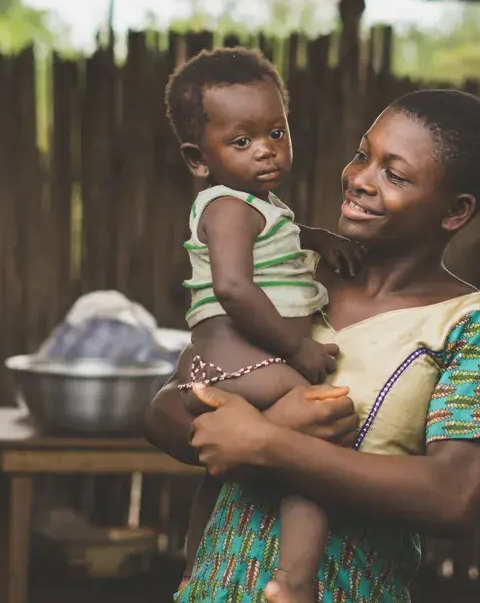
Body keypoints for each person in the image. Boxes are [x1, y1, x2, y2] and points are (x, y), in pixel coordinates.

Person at [146, 87, 480, 602]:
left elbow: (454, 497)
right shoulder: (282, 277)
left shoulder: (477, 323)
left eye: (394, 174)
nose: (360, 180)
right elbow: (168, 406)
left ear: (455, 211)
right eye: (362, 155)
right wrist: (253, 428)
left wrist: (268, 442)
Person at [165, 47, 366, 601]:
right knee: (316, 454)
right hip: (246, 363)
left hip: (226, 366)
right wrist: (295, 351)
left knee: (225, 473)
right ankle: (296, 583)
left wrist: (314, 237)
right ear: (197, 158)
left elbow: (275, 241)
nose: (266, 151)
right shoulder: (227, 208)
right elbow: (233, 287)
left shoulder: (256, 205)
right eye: (242, 141)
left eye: (276, 133)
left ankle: (193, 569)